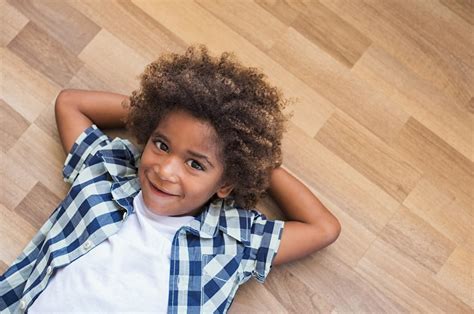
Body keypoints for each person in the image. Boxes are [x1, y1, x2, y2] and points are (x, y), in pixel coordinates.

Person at [0, 44, 341, 313]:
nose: (165, 170)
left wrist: (251, 158)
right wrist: (158, 110)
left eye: (195, 164)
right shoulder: (106, 173)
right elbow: (70, 104)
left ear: (225, 184)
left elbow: (322, 228)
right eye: (161, 144)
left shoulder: (233, 241)